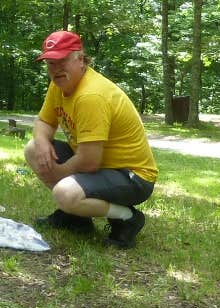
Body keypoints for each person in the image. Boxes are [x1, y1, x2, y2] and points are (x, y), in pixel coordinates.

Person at [24, 30, 157, 248]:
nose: (55, 68)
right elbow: (43, 122)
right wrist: (41, 142)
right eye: (50, 62)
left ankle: (127, 218)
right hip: (101, 167)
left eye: (62, 60)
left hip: (132, 176)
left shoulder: (91, 95)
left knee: (65, 192)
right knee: (33, 150)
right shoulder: (60, 84)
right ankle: (76, 218)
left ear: (80, 58)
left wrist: (57, 173)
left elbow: (89, 161)